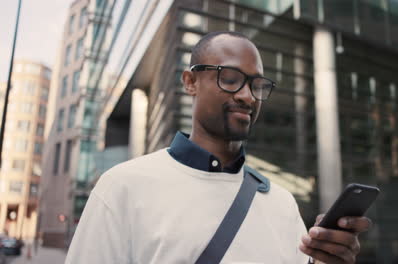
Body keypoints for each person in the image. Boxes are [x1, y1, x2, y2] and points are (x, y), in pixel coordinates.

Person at [65, 31, 371, 264]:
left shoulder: (283, 203)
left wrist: (327, 258)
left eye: (256, 85)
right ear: (190, 82)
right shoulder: (122, 187)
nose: (248, 97)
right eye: (231, 79)